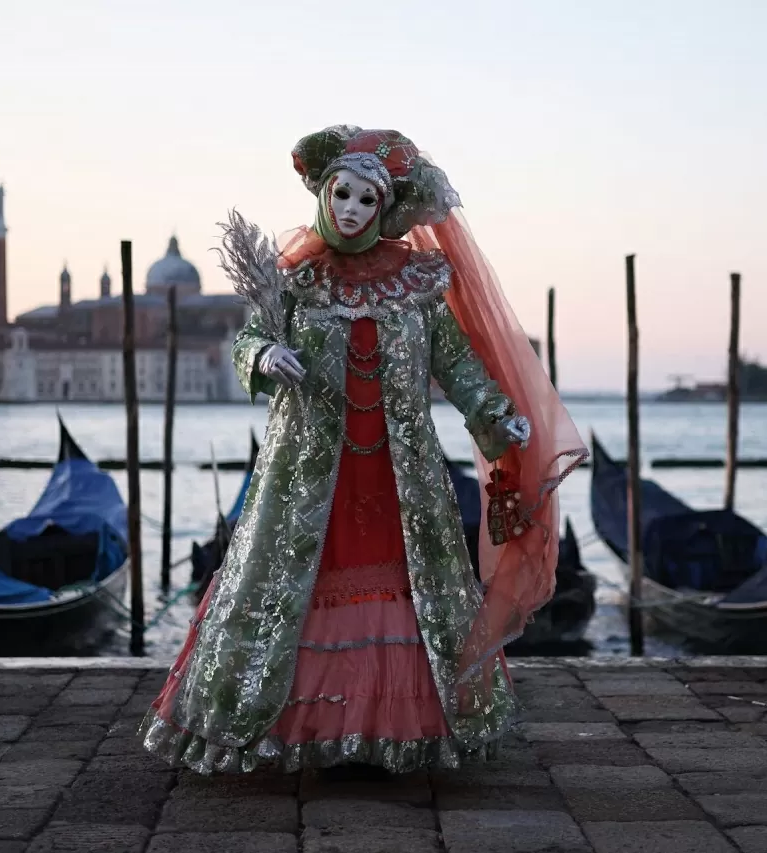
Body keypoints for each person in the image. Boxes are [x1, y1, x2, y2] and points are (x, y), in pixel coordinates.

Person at [139, 125, 587, 775]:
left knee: (410, 590)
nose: (348, 209)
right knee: (300, 586)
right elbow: (247, 341)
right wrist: (265, 354)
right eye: (339, 195)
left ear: (384, 210)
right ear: (323, 197)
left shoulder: (420, 285)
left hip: (402, 478)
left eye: (363, 200)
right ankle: (291, 728)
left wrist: (497, 416)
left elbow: (457, 364)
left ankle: (398, 730)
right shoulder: (295, 281)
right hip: (306, 475)